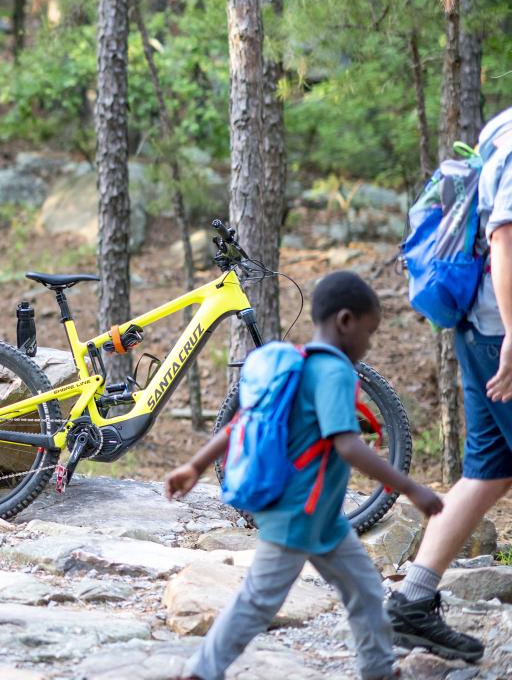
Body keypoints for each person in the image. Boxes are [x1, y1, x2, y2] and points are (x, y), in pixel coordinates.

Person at [164, 271, 444, 680]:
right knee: (259, 600)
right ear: (345, 321)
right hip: (298, 516)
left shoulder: (296, 365)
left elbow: (239, 423)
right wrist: (411, 488)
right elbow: (348, 446)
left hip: (323, 518)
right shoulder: (335, 372)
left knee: (365, 590)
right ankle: (200, 672)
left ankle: (379, 670)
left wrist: (195, 465)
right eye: (369, 333)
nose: (368, 344)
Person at [383, 105, 512, 663]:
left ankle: (411, 603)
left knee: (488, 471)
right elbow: (505, 239)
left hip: (477, 327)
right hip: (499, 332)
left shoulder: (500, 127)